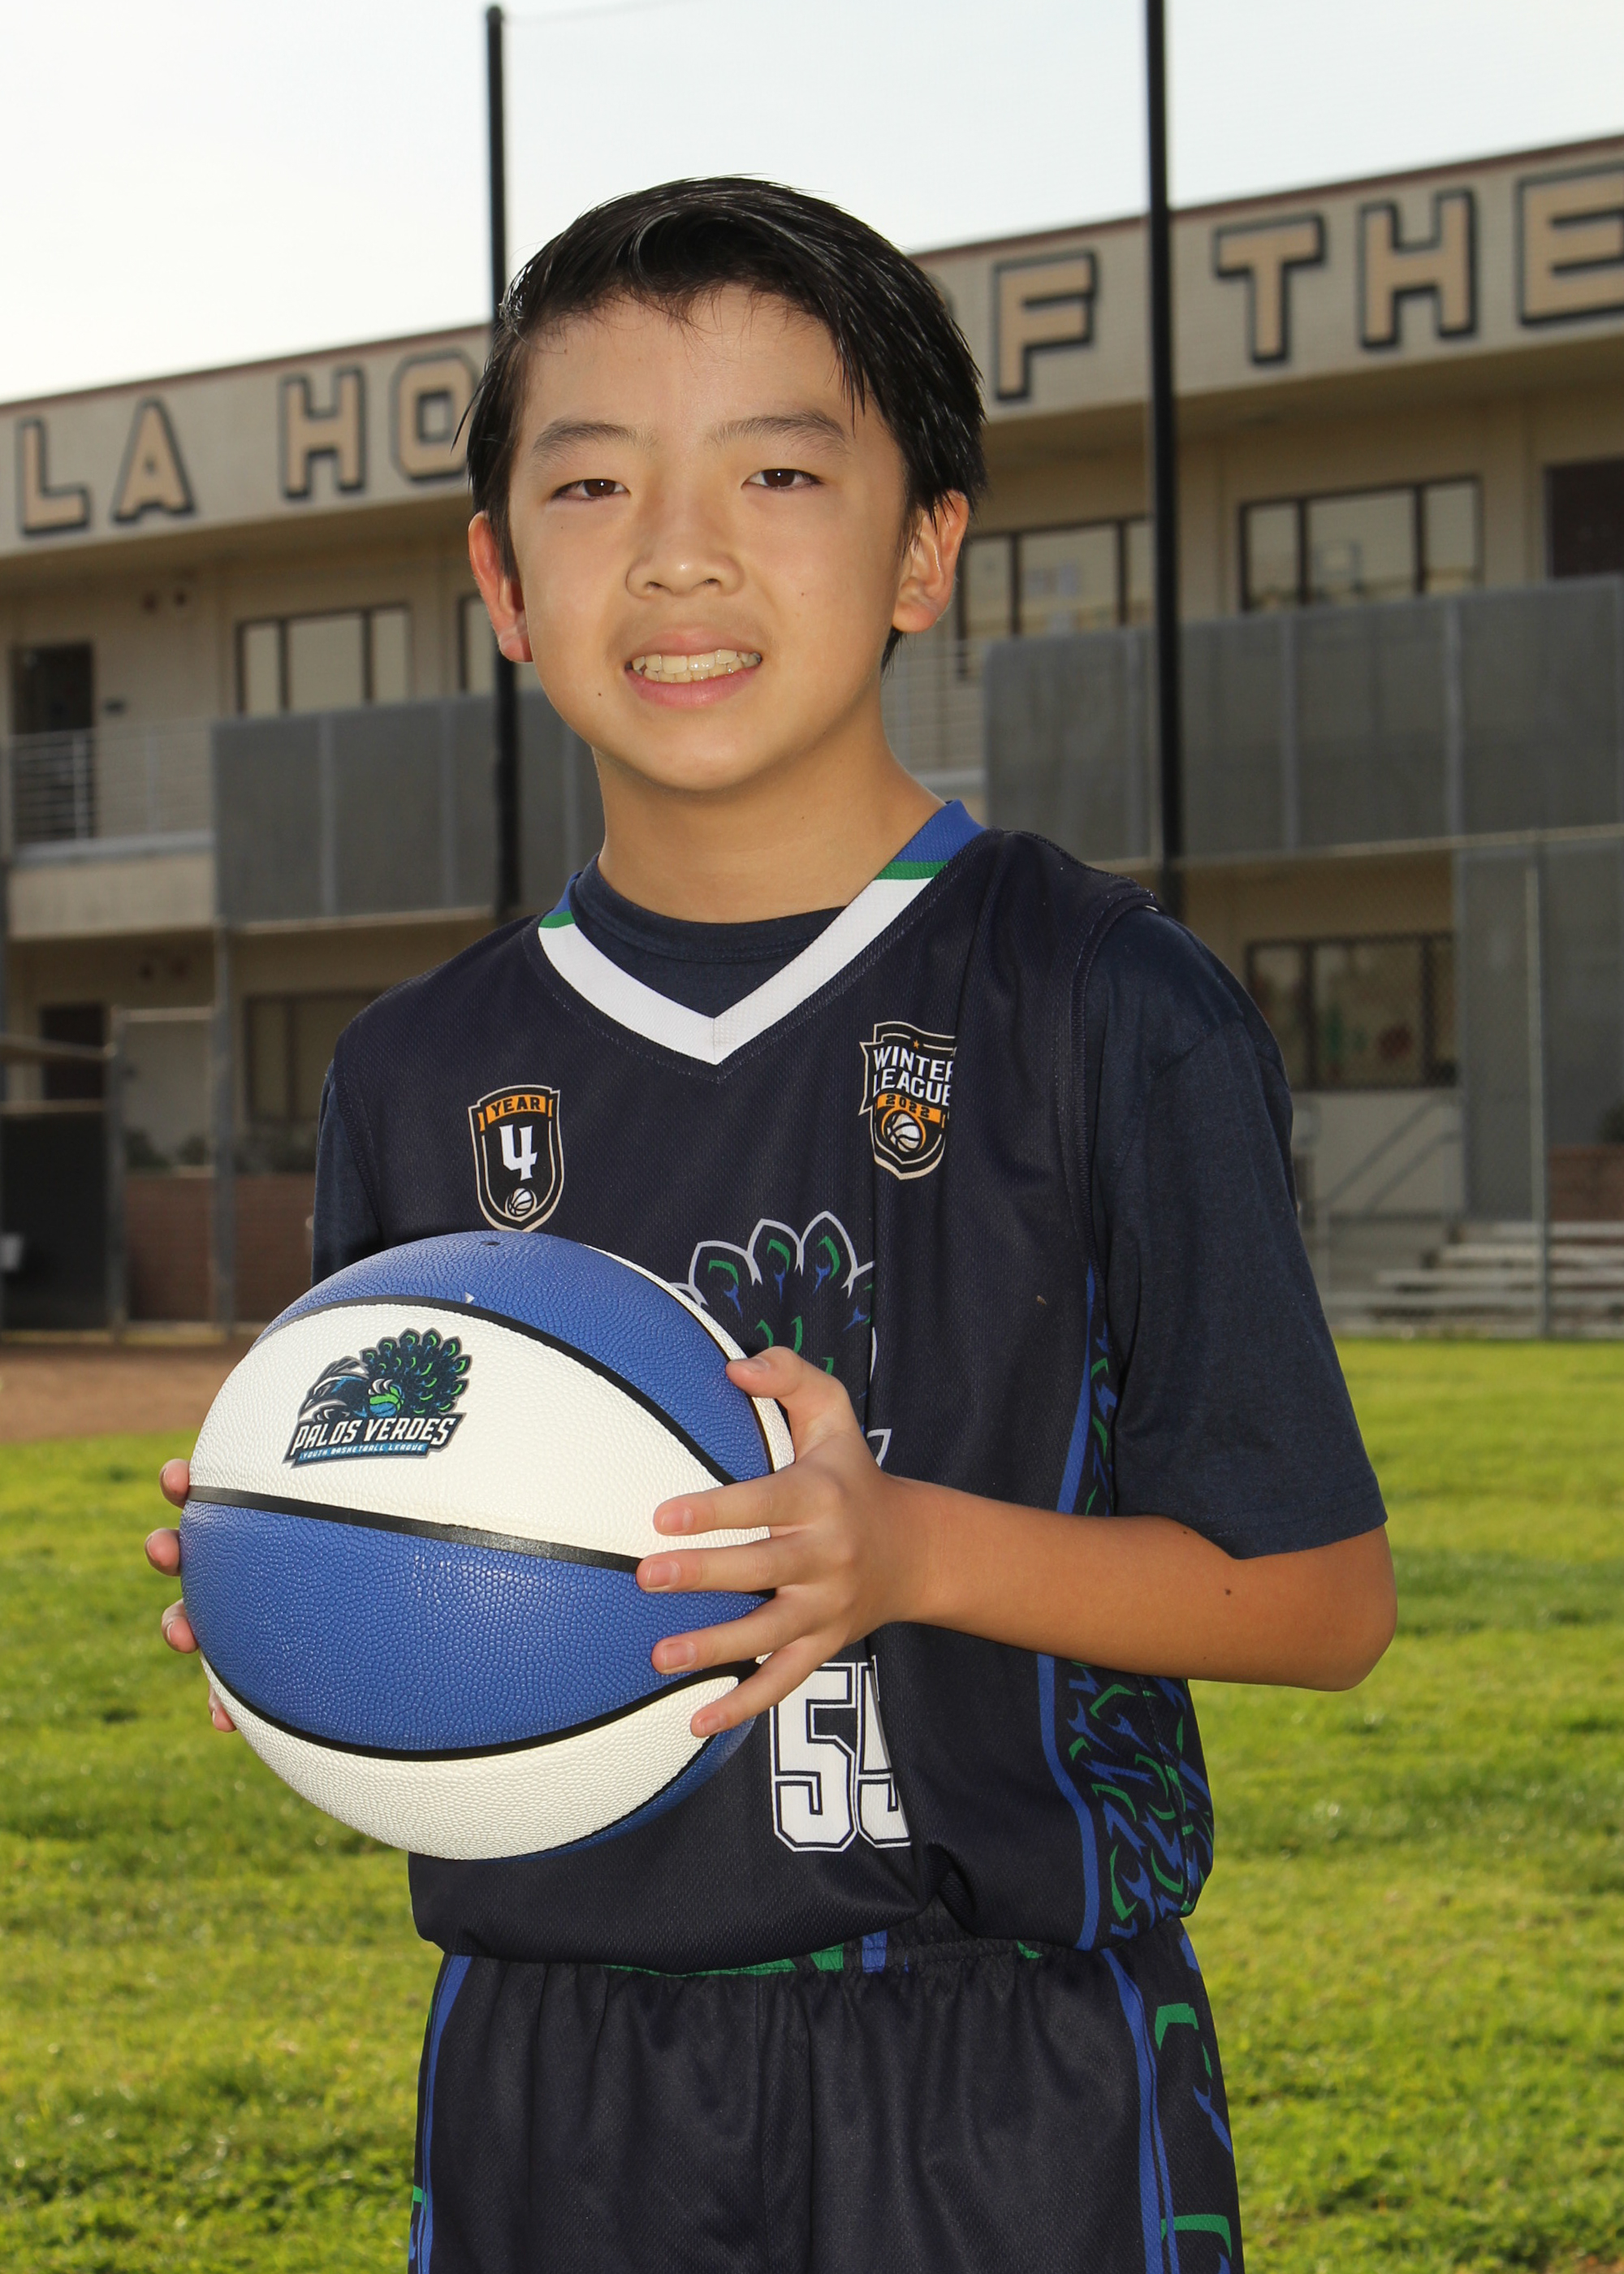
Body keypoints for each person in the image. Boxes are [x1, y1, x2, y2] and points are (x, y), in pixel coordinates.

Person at [146, 178, 1395, 2273]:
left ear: (925, 550)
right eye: (592, 483)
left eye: (782, 471)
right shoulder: (416, 1071)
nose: (681, 551)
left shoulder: (1102, 1001)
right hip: (554, 2082)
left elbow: (1324, 1603)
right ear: (501, 578)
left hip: (998, 2084)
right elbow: (411, 1498)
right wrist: (306, 1574)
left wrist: (906, 1553)